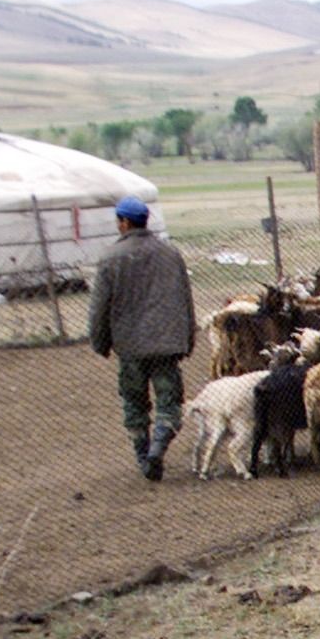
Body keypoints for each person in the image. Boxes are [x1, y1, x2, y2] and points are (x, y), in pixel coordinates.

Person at [88, 195, 195, 481]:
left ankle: (144, 456)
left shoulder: (111, 258)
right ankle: (158, 450)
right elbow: (185, 299)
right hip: (166, 345)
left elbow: (100, 307)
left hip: (131, 346)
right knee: (169, 403)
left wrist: (99, 342)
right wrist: (187, 339)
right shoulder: (169, 253)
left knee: (134, 404)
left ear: (123, 222)